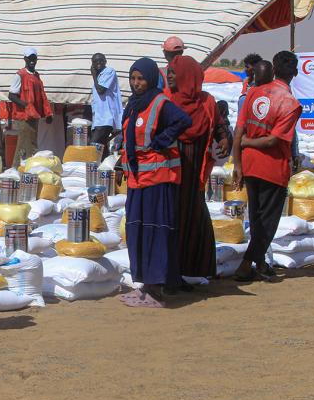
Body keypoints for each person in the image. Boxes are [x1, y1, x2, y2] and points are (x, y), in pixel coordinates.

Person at [118, 58, 192, 308]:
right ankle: (146, 286)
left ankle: (157, 289)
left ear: (151, 79)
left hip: (157, 178)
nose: (136, 83)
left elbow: (183, 121)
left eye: (141, 78)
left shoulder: (160, 102)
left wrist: (162, 140)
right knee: (138, 230)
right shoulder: (134, 104)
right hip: (138, 179)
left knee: (155, 231)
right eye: (133, 78)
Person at [231, 57, 302, 282]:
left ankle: (260, 264)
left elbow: (239, 130)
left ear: (274, 69)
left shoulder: (254, 93)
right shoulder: (291, 103)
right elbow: (273, 141)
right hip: (272, 168)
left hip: (250, 165)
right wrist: (248, 144)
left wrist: (238, 163)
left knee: (256, 217)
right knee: (268, 222)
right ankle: (245, 265)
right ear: (295, 73)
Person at [166, 55, 227, 284]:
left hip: (196, 175)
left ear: (188, 76)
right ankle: (173, 273)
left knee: (195, 217)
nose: (170, 77)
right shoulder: (166, 101)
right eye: (169, 73)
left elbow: (220, 126)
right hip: (172, 174)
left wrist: (223, 140)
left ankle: (194, 269)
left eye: (174, 73)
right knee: (173, 219)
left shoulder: (207, 103)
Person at [9, 48, 53, 164]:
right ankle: (23, 167)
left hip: (34, 116)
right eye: (29, 58)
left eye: (34, 58)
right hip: (24, 116)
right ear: (25, 59)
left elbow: (42, 96)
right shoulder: (20, 75)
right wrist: (26, 105)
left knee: (28, 142)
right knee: (27, 143)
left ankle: (21, 167)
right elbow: (12, 95)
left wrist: (48, 113)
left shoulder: (36, 76)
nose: (32, 61)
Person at [89, 53, 123, 154]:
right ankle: (103, 168)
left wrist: (93, 75)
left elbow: (101, 90)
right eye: (95, 61)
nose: (98, 63)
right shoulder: (99, 76)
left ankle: (93, 169)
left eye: (101, 60)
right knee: (101, 148)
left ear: (105, 61)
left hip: (106, 117)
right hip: (99, 119)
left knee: (94, 146)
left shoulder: (109, 71)